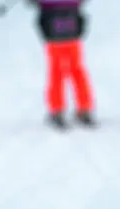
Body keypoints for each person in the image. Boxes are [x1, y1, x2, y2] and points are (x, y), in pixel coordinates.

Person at [28, 0, 95, 128]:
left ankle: (57, 111)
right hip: (73, 29)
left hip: (53, 30)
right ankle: (84, 109)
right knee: (77, 70)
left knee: (56, 71)